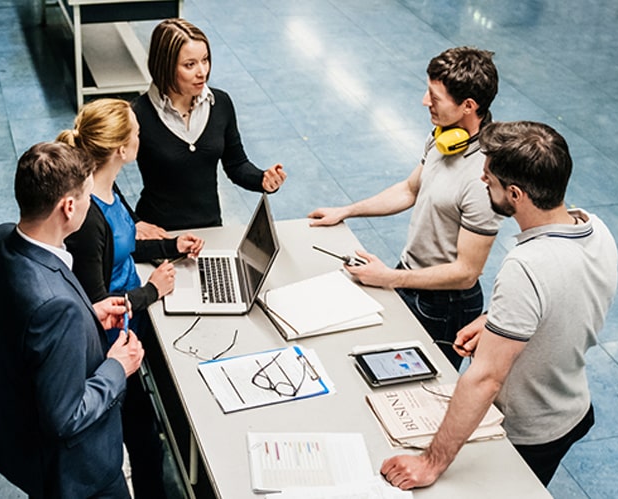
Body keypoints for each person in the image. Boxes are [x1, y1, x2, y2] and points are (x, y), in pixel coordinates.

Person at [380, 121, 618, 489]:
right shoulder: (595, 228)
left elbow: (485, 379)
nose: (481, 182)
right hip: (572, 407)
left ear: (516, 194)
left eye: (489, 180)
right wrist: (497, 321)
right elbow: (565, 292)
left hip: (530, 430)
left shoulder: (526, 264)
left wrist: (429, 463)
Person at [308, 47, 502, 370]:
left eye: (434, 97)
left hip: (444, 304)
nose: (425, 102)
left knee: (419, 385)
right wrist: (347, 211)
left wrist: (390, 278)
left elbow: (467, 273)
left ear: (469, 106)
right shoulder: (444, 137)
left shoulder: (483, 178)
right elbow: (410, 189)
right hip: (409, 276)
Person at [0, 142, 145, 499]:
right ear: (68, 207)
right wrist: (118, 366)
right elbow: (65, 417)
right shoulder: (57, 308)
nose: (91, 204)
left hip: (22, 440)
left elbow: (27, 332)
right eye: (87, 197)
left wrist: (89, 316)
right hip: (79, 476)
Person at [57, 98, 205, 498]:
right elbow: (98, 304)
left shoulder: (107, 185)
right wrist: (152, 290)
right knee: (142, 438)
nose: (143, 137)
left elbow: (123, 246)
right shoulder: (88, 218)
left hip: (135, 310)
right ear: (121, 149)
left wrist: (172, 244)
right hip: (112, 344)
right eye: (137, 133)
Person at [131, 18, 287, 232]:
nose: (202, 72)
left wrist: (263, 179)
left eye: (205, 60)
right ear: (165, 66)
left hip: (210, 231)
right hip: (161, 235)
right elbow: (101, 182)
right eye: (189, 65)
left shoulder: (220, 104)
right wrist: (135, 223)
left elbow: (236, 165)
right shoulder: (137, 115)